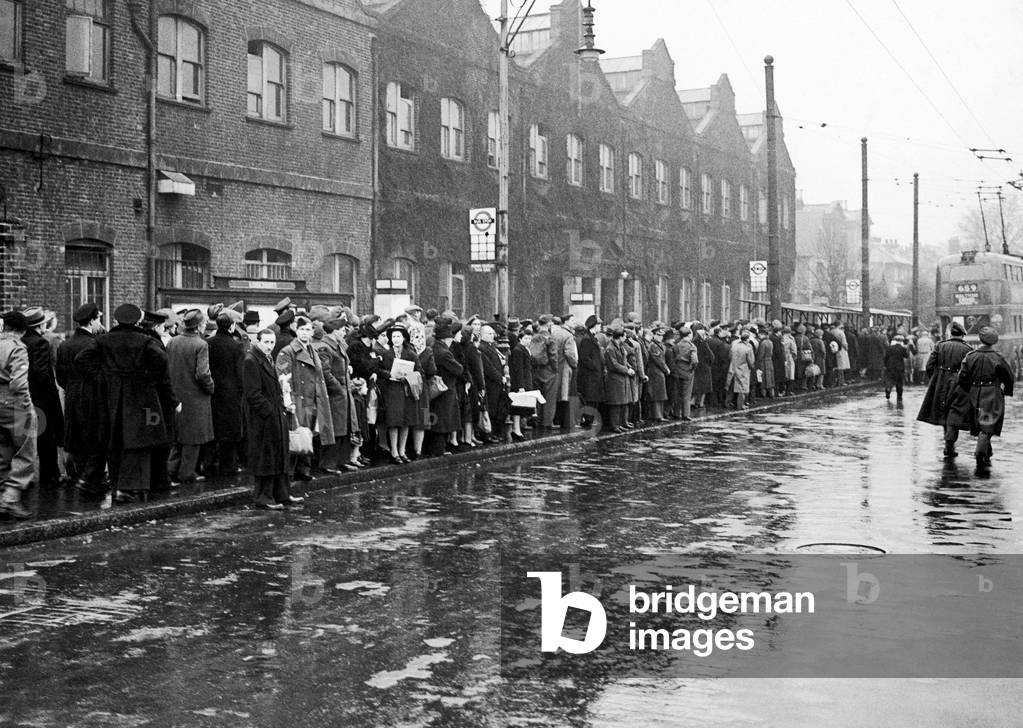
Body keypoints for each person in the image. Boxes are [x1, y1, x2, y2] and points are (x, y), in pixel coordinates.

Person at [80, 303, 177, 501]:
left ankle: (116, 485)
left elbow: (82, 359)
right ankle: (129, 487)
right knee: (138, 440)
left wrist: (102, 377)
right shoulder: (145, 340)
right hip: (141, 396)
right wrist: (150, 378)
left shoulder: (103, 340)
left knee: (114, 440)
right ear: (138, 321)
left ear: (117, 320)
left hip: (111, 396)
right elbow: (162, 361)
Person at [55, 303, 107, 496]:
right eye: (98, 319)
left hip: (71, 395)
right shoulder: (95, 344)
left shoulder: (65, 344)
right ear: (92, 320)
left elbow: (60, 376)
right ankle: (90, 479)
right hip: (93, 397)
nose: (99, 323)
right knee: (94, 437)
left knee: (75, 435)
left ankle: (76, 475)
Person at [276, 315, 334, 484]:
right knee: (295, 435)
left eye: (308, 330)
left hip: (312, 399)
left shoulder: (313, 351)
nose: (304, 333)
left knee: (307, 434)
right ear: (296, 330)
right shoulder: (287, 351)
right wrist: (288, 400)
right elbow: (282, 376)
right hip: (297, 399)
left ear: (312, 332)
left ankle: (304, 469)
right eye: (301, 329)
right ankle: (290, 472)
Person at [243, 328, 292, 509]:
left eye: (272, 342)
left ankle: (281, 494)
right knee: (266, 457)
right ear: (258, 341)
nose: (270, 346)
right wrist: (269, 411)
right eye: (266, 342)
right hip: (263, 418)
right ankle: (264, 497)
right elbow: (253, 393)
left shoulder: (265, 359)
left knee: (277, 454)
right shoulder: (251, 360)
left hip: (274, 414)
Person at [166, 309, 215, 484]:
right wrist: (211, 388)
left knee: (178, 437)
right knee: (193, 439)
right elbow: (202, 374)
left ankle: (170, 471)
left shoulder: (172, 342)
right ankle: (187, 473)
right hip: (196, 397)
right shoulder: (201, 345)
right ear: (200, 326)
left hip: (176, 394)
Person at [954, 326, 1014, 471]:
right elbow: (1009, 377)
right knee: (987, 426)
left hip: (975, 392)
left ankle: (986, 452)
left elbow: (962, 377)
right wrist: (1007, 391)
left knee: (981, 424)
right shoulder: (997, 357)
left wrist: (970, 389)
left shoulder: (970, 356)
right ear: (994, 341)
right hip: (992, 393)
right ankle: (980, 454)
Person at [20, 307, 64, 487]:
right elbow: (41, 372)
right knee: (47, 438)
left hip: (25, 396)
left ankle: (26, 478)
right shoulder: (41, 343)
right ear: (41, 324)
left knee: (26, 438)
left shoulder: (22, 341)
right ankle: (50, 476)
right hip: (42, 398)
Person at [917, 322, 973, 460]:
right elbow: (970, 370)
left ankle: (949, 443)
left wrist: (935, 380)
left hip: (941, 384)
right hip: (959, 385)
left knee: (944, 412)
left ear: (951, 333)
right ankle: (950, 444)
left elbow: (930, 365)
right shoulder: (968, 349)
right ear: (962, 334)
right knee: (955, 413)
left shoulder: (940, 346)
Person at [0, 311, 37, 518]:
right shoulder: (17, 348)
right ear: (23, 330)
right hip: (14, 403)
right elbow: (19, 383)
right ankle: (11, 498)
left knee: (2, 451)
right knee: (25, 449)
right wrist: (26, 406)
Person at [376, 323, 423, 463]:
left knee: (405, 422)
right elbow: (379, 370)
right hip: (392, 391)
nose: (396, 339)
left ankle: (402, 450)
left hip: (406, 390)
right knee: (393, 421)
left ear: (404, 338)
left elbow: (420, 371)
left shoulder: (411, 354)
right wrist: (389, 374)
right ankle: (394, 451)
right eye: (393, 336)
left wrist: (408, 375)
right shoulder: (386, 354)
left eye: (398, 336)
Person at [206, 313, 245, 476]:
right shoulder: (237, 346)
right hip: (231, 394)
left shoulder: (208, 343)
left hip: (212, 392)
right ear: (231, 326)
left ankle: (208, 466)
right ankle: (228, 466)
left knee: (213, 429)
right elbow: (240, 372)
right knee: (229, 432)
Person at [430, 318, 465, 448]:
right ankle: (439, 449)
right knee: (444, 420)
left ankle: (436, 447)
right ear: (446, 339)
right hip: (446, 389)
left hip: (435, 389)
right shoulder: (445, 353)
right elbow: (459, 369)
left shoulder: (433, 348)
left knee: (436, 420)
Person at [603, 318, 634, 432]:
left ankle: (621, 423)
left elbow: (623, 360)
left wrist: (629, 367)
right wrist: (627, 370)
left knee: (623, 403)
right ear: (619, 337)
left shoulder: (620, 347)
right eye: (624, 336)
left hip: (622, 379)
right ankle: (615, 425)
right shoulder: (610, 349)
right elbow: (614, 365)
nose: (625, 338)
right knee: (616, 404)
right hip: (615, 379)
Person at [479, 324, 508, 442]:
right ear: (482, 335)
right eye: (488, 334)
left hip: (497, 383)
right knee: (491, 408)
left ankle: (495, 432)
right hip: (491, 383)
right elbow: (488, 367)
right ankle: (488, 434)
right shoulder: (483, 347)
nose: (492, 336)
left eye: (492, 334)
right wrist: (499, 378)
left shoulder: (491, 346)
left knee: (497, 408)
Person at [576, 315, 605, 428]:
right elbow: (585, 358)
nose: (600, 327)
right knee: (590, 398)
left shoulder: (592, 338)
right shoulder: (587, 339)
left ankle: (590, 419)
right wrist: (595, 367)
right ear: (594, 326)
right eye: (599, 325)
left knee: (594, 398)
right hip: (590, 375)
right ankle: (587, 420)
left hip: (595, 375)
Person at [551, 314, 579, 429]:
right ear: (565, 321)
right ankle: (565, 421)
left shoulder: (555, 334)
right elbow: (570, 353)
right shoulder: (568, 336)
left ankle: (556, 419)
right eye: (572, 320)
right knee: (566, 394)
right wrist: (574, 363)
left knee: (557, 394)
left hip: (555, 366)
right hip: (566, 367)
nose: (574, 322)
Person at [507, 325, 534, 440]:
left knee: (521, 408)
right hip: (520, 383)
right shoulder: (518, 350)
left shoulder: (524, 349)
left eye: (529, 338)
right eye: (526, 338)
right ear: (520, 339)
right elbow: (518, 369)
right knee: (517, 408)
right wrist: (521, 386)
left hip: (525, 381)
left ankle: (518, 430)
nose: (528, 341)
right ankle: (516, 430)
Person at [669, 326, 697, 422]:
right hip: (687, 371)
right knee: (686, 394)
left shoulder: (675, 345)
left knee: (678, 393)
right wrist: (691, 369)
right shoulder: (692, 346)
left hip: (678, 370)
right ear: (689, 334)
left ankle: (677, 413)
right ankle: (685, 414)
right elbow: (694, 361)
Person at [643, 324, 670, 422]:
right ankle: (657, 415)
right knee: (656, 394)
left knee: (660, 394)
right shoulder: (653, 346)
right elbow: (658, 360)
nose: (660, 337)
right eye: (658, 335)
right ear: (653, 335)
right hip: (655, 372)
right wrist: (666, 369)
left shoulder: (659, 345)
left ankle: (659, 414)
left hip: (659, 373)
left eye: (661, 335)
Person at [727, 330, 756, 410]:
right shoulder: (748, 348)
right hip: (743, 369)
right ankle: (741, 405)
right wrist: (751, 367)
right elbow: (751, 361)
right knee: (742, 389)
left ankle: (728, 403)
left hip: (733, 368)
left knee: (731, 387)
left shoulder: (734, 346)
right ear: (747, 339)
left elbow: (730, 357)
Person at [691, 325, 714, 409]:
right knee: (704, 387)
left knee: (695, 386)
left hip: (696, 367)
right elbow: (711, 356)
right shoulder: (704, 344)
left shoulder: (692, 343)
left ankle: (692, 401)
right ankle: (700, 403)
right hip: (704, 367)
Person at [883, 334, 910, 402]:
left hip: (890, 366)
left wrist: (885, 365)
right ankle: (899, 396)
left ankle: (888, 388)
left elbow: (886, 357)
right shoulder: (902, 348)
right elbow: (906, 356)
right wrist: (907, 348)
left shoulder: (889, 348)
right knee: (899, 382)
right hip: (899, 367)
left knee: (890, 379)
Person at [755, 328, 775, 399]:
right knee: (770, 378)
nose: (759, 336)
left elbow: (761, 354)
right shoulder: (770, 342)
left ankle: (764, 394)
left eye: (760, 335)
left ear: (763, 334)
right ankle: (771, 393)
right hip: (770, 360)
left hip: (764, 362)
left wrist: (757, 363)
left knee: (763, 379)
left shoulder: (763, 343)